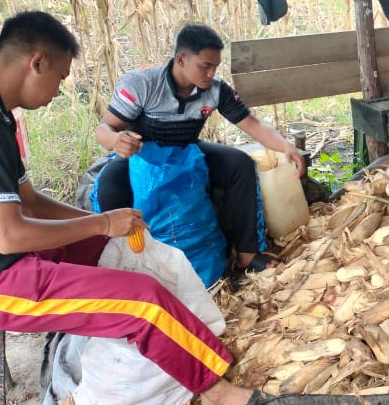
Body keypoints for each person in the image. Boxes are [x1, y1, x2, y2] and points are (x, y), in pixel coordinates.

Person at [0, 12, 252, 405]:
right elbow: (10, 236)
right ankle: (215, 392)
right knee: (143, 302)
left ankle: (187, 341)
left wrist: (105, 228)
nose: (59, 89)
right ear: (37, 63)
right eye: (62, 77)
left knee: (107, 250)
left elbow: (29, 203)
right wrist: (102, 222)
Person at [93, 24, 304, 274]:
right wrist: (116, 140)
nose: (212, 73)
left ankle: (247, 255)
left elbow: (254, 125)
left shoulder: (215, 90)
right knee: (109, 184)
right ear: (181, 59)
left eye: (215, 66)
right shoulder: (142, 85)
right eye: (206, 65)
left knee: (240, 164)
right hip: (142, 158)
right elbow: (104, 128)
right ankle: (119, 269)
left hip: (187, 152)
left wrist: (285, 147)